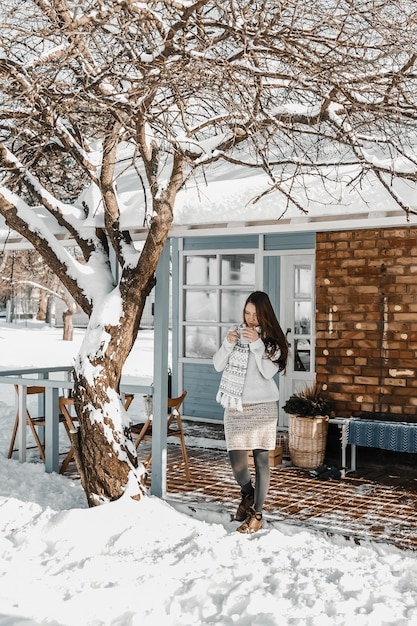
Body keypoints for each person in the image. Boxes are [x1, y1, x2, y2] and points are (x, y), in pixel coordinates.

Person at [213, 291, 288, 534]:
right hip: (236, 407)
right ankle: (248, 495)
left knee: (261, 461)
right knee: (237, 465)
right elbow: (217, 364)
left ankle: (256, 512)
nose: (250, 319)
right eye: (247, 313)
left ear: (264, 315)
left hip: (263, 408)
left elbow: (268, 372)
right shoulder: (236, 336)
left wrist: (256, 343)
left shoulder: (272, 343)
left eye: (255, 315)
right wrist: (227, 344)